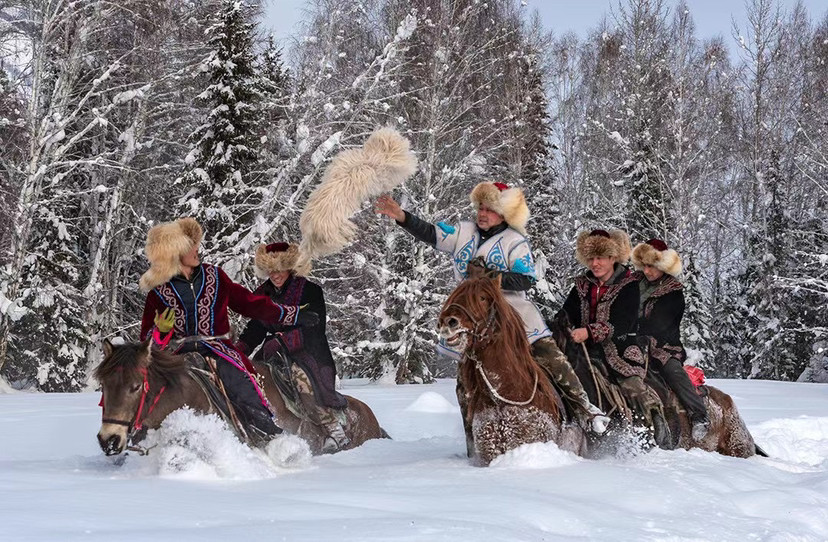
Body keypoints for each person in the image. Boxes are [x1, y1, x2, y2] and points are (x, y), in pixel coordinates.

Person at [375, 182, 609, 435]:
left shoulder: (514, 241)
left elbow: (526, 278)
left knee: (551, 357)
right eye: (480, 208)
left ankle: (586, 410)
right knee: (464, 379)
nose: (482, 214)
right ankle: (471, 433)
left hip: (513, 311)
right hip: (473, 315)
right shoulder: (463, 232)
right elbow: (432, 234)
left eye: (490, 209)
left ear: (505, 213)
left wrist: (491, 276)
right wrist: (401, 216)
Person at [138, 217, 316, 441]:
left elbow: (250, 303)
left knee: (239, 381)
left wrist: (293, 314)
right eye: (191, 246)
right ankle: (134, 436)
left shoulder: (215, 276)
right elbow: (145, 339)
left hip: (216, 350)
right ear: (174, 251)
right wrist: (161, 332)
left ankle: (266, 433)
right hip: (175, 355)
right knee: (143, 389)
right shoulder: (158, 291)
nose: (197, 249)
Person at [235, 242, 350, 453]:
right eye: (271, 271)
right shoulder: (262, 294)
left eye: (279, 270)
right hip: (271, 353)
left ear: (289, 268)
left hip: (307, 351)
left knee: (301, 380)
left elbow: (315, 324)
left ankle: (333, 429)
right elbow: (256, 327)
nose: (275, 275)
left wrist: (282, 340)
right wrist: (239, 349)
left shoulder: (310, 291)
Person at [557, 229, 667, 439]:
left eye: (600, 258)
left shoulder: (630, 284)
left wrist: (589, 332)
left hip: (620, 348)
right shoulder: (581, 284)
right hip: (582, 348)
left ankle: (654, 425)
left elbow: (624, 322)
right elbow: (566, 312)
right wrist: (560, 327)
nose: (595, 263)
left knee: (632, 385)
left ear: (612, 257)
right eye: (590, 258)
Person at [632, 238, 710, 440]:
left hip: (664, 345)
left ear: (663, 266)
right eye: (645, 266)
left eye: (653, 266)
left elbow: (661, 324)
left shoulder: (673, 292)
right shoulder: (632, 284)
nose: (648, 271)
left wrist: (639, 333)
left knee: (672, 370)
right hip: (631, 342)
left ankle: (699, 415)